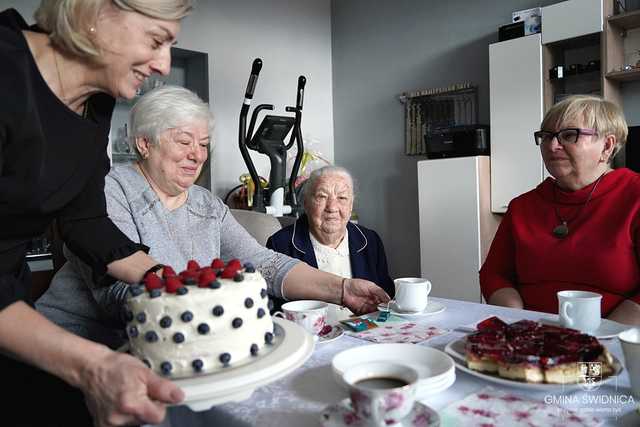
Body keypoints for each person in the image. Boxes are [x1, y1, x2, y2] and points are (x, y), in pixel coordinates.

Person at [37, 85, 390, 353]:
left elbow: (263, 264)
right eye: (184, 141)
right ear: (144, 143)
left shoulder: (207, 206)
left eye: (204, 144)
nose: (196, 155)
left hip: (173, 349)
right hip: (74, 347)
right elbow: (120, 296)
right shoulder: (108, 192)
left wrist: (341, 289)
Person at [0, 1, 195, 426]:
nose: (164, 65)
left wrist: (172, 280)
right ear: (96, 12)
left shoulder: (95, 101)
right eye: (157, 40)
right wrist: (92, 366)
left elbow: (85, 220)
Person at [480, 95, 640, 326]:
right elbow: (494, 274)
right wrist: (518, 321)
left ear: (607, 146)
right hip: (531, 337)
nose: (552, 146)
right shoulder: (522, 206)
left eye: (568, 135)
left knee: (588, 367)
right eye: (546, 136)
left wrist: (604, 337)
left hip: (611, 344)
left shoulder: (634, 196)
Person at [267, 166, 394, 321]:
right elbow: (273, 312)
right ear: (306, 203)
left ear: (351, 205)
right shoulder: (281, 244)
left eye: (342, 198)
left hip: (364, 337)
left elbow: (386, 299)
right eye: (322, 196)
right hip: (312, 339)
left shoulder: (370, 241)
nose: (332, 208)